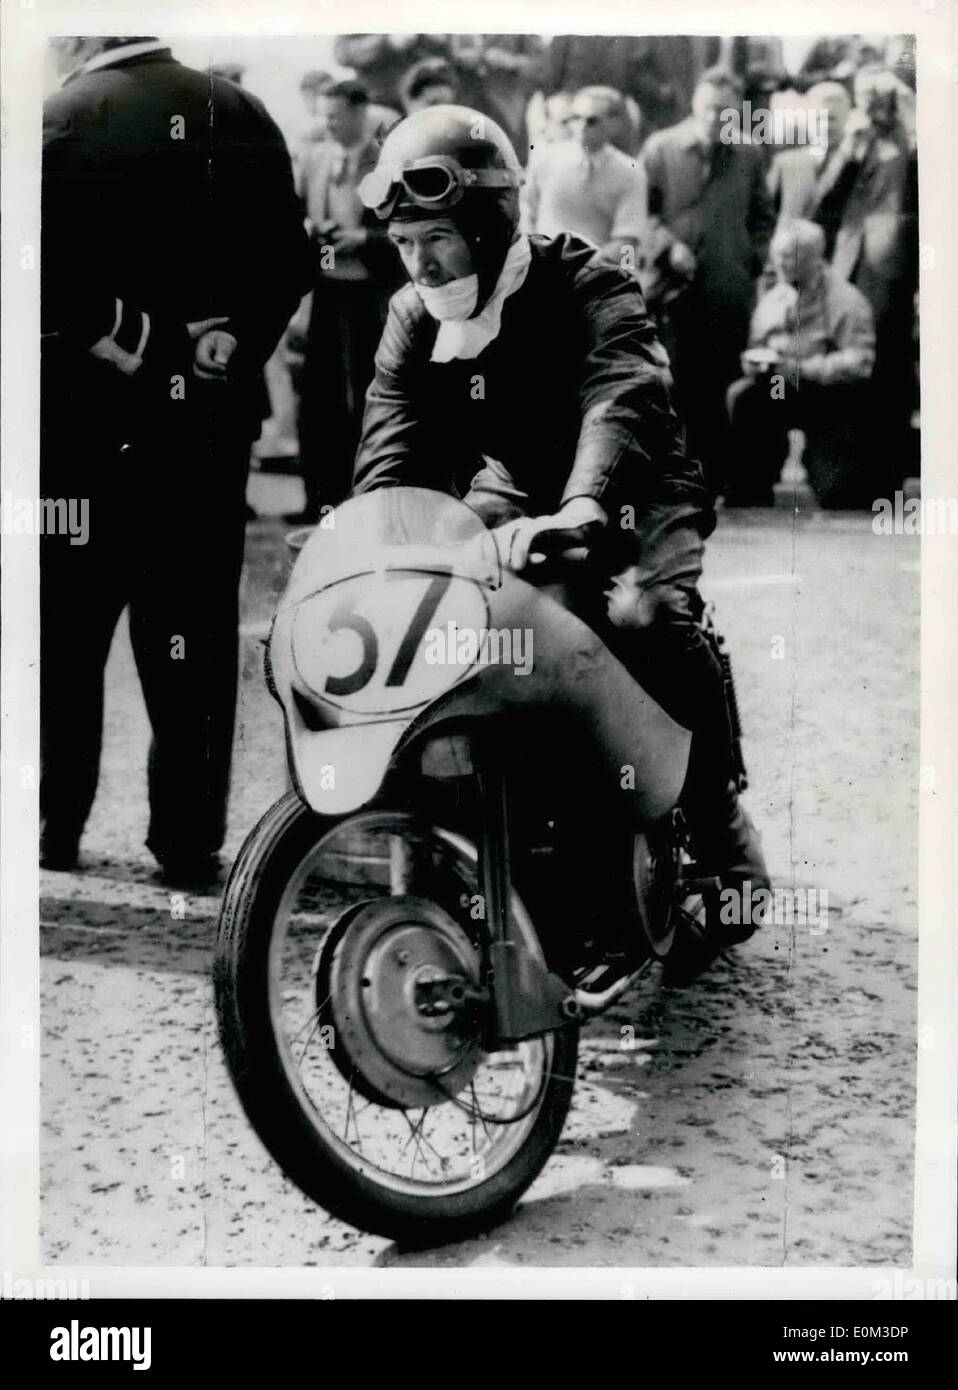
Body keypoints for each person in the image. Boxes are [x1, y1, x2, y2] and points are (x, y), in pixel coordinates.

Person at [351, 104, 769, 933]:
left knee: (641, 613)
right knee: (429, 614)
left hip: (637, 489)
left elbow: (622, 393)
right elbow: (392, 444)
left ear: (487, 220)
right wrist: (369, 543)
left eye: (434, 237)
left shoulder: (589, 280)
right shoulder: (410, 318)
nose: (421, 264)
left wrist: (583, 505)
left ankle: (722, 826)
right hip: (515, 489)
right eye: (403, 245)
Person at [40, 37, 309, 883]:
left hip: (73, 430)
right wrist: (228, 345)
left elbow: (40, 270)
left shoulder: (60, 117)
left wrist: (145, 342)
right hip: (202, 434)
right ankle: (189, 838)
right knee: (190, 632)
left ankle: (53, 825)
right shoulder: (240, 109)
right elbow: (292, 261)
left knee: (62, 635)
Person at [640, 67, 776, 495]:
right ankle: (678, 481)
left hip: (729, 293)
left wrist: (748, 259)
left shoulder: (749, 154)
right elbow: (640, 214)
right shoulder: (660, 149)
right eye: (708, 109)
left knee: (722, 386)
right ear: (694, 106)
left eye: (724, 112)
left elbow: (762, 218)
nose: (715, 119)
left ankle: (716, 481)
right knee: (678, 383)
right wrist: (668, 246)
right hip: (674, 293)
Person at [289, 79, 403, 524]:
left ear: (360, 113)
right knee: (318, 399)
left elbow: (403, 232)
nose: (328, 123)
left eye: (335, 114)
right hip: (325, 292)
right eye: (324, 114)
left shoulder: (385, 163)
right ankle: (319, 498)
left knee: (371, 397)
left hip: (370, 297)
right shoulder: (315, 158)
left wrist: (364, 239)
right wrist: (313, 232)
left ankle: (369, 498)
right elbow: (296, 213)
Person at [725, 220, 875, 507]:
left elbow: (860, 363)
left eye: (792, 258)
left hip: (829, 396)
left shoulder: (846, 301)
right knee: (745, 397)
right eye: (779, 256)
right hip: (782, 388)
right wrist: (755, 363)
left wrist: (803, 367)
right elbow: (758, 345)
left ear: (816, 258)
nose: (783, 265)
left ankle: (831, 469)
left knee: (838, 495)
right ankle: (751, 482)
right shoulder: (773, 296)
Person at [521, 86, 646, 263]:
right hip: (542, 266)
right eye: (576, 118)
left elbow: (627, 240)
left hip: (596, 272)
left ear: (613, 124)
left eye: (592, 121)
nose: (581, 126)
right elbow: (525, 210)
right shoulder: (544, 159)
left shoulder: (630, 172)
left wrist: (586, 267)